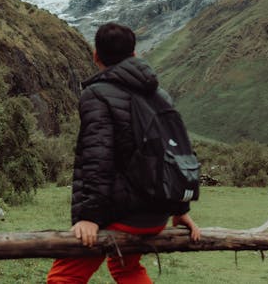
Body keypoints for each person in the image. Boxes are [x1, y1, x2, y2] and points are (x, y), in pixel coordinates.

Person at [47, 22, 200, 283]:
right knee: (125, 268)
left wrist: (89, 218)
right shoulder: (159, 94)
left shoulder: (96, 94)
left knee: (63, 277)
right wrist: (179, 208)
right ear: (135, 54)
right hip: (157, 212)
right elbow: (175, 151)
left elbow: (97, 157)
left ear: (96, 57)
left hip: (122, 215)